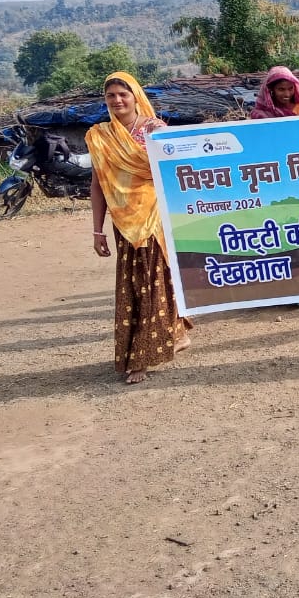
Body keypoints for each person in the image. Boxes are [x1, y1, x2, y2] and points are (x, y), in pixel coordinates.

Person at [88, 72, 191, 385]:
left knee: (154, 279)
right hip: (123, 221)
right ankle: (174, 334)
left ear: (135, 97)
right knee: (134, 285)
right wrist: (97, 230)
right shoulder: (100, 135)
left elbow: (176, 170)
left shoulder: (154, 129)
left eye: (123, 94)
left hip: (154, 217)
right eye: (111, 96)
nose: (117, 100)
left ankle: (142, 357)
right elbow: (98, 185)